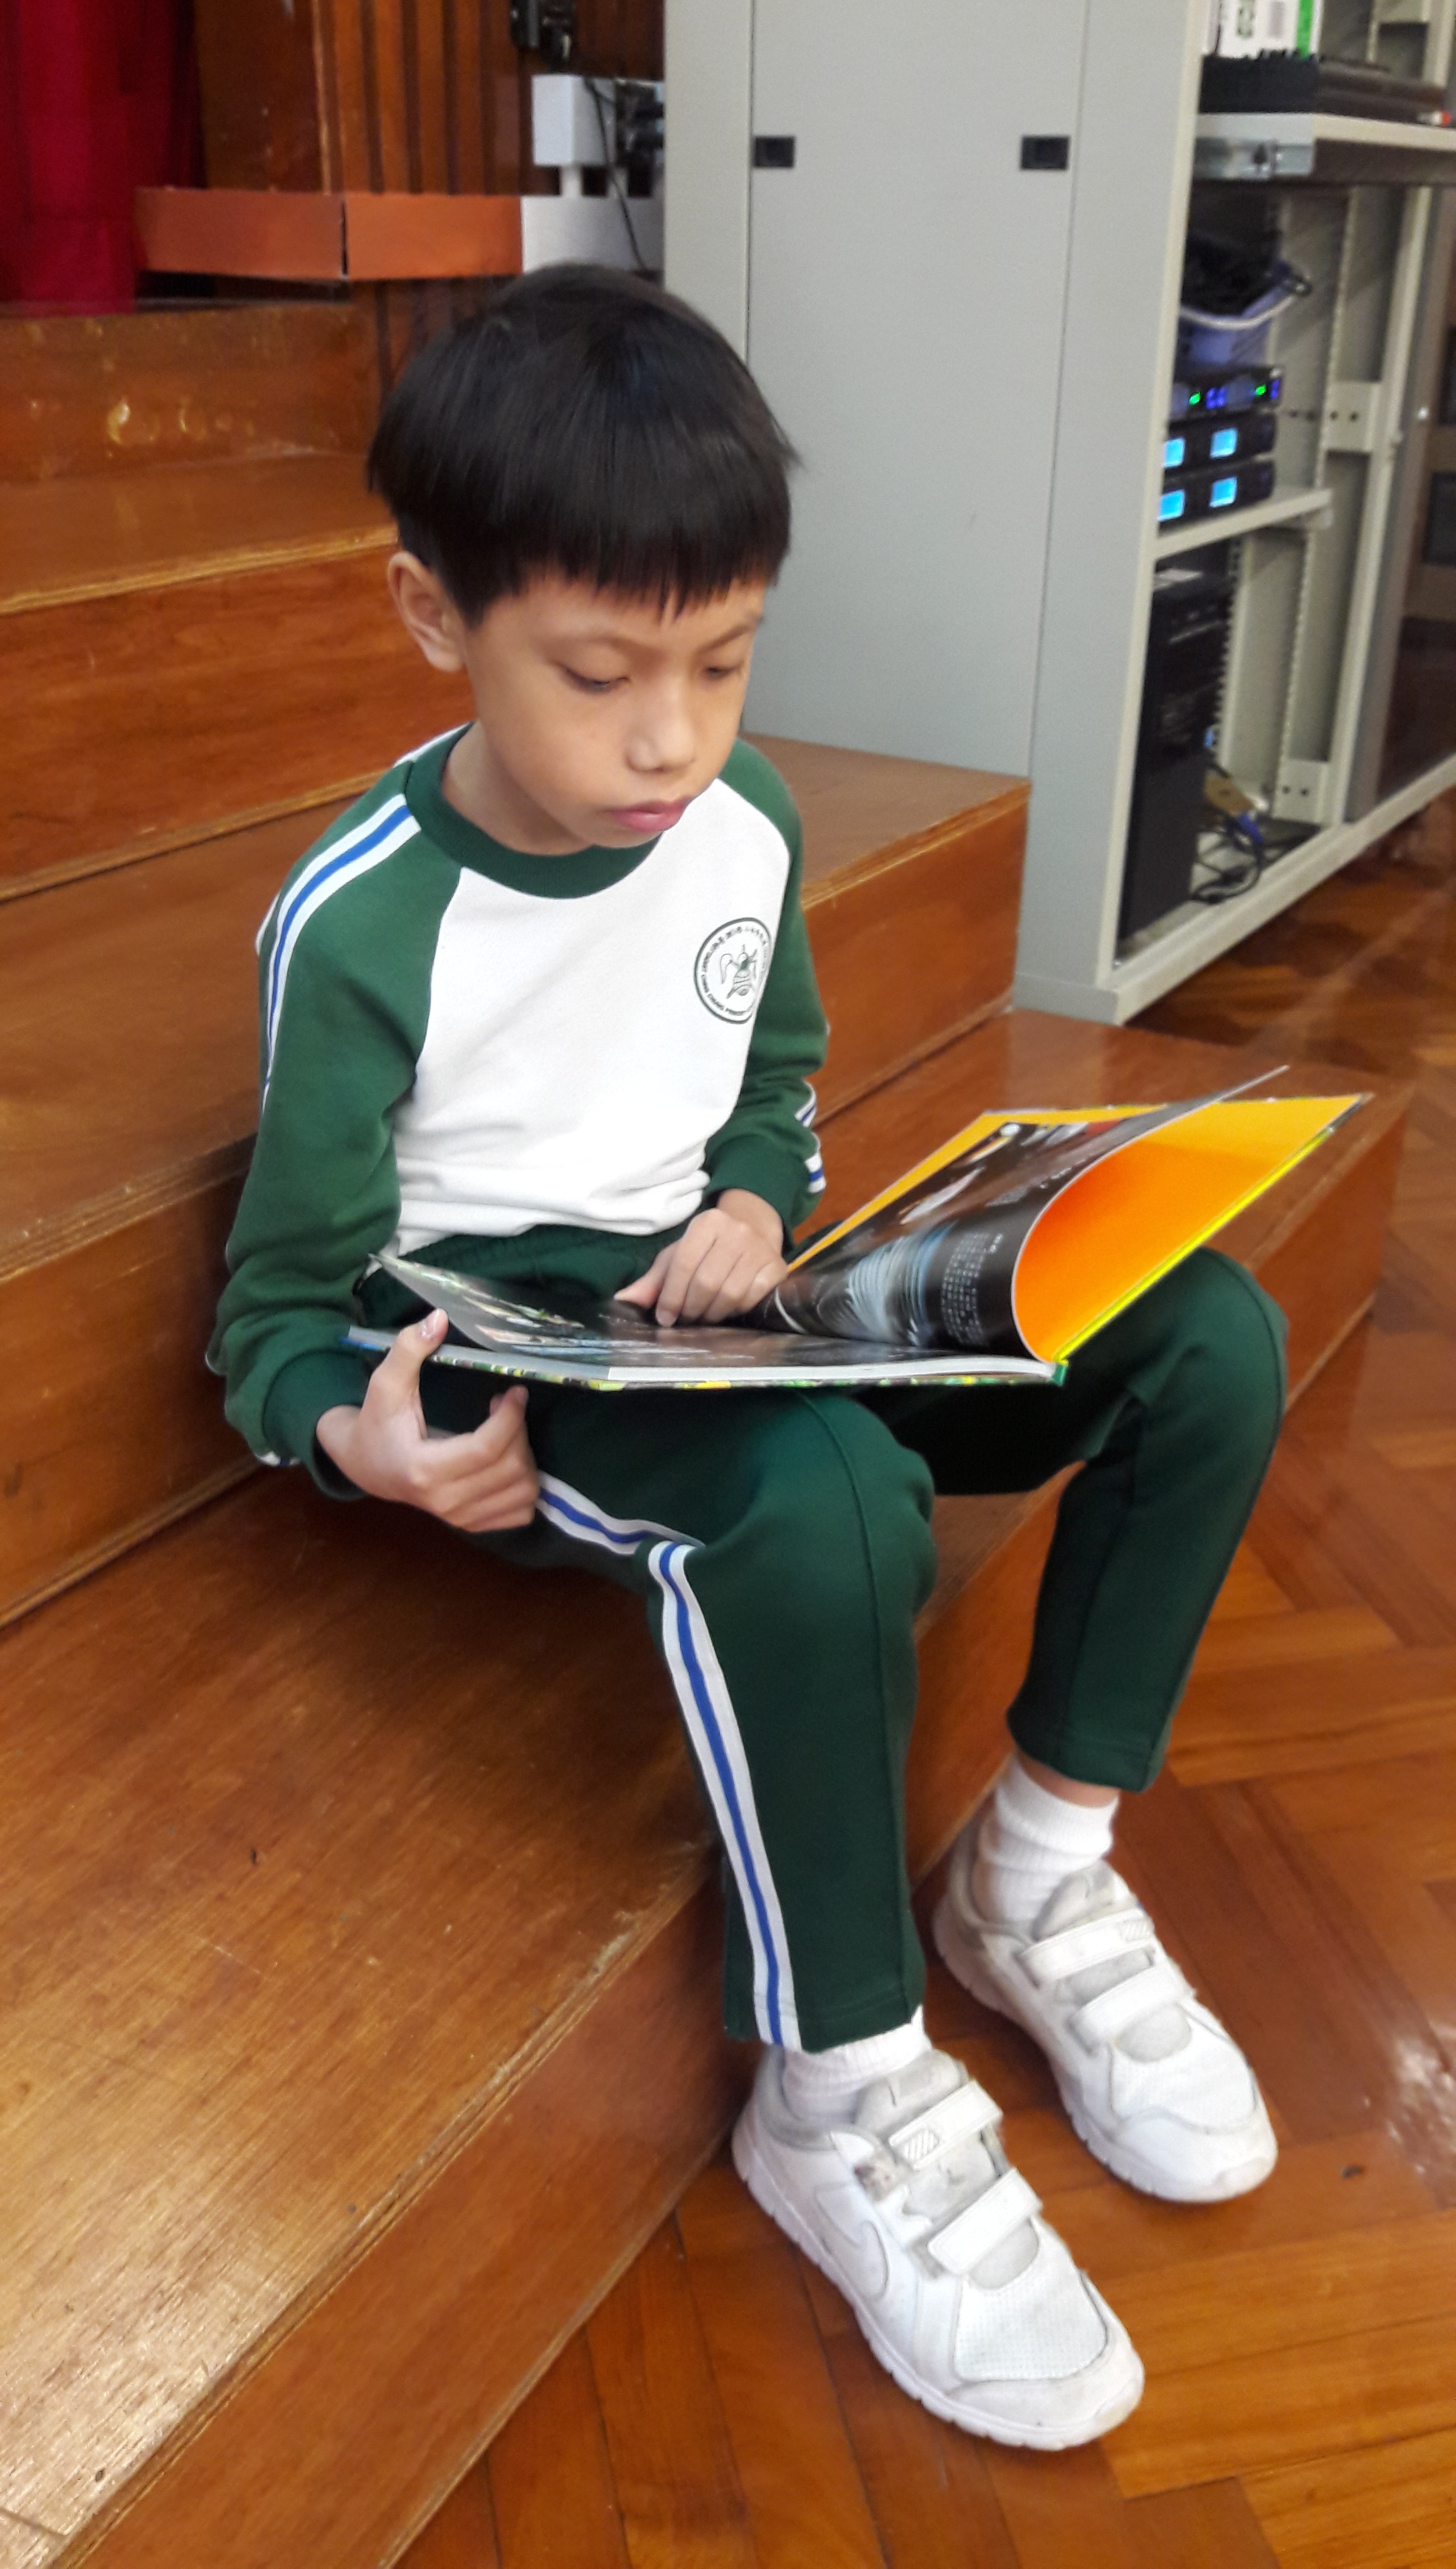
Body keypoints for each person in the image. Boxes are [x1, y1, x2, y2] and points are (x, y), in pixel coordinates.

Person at [210, 265, 1287, 2451]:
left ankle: (1035, 1873)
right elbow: (273, 1313)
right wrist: (358, 1441)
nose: (670, 741)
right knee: (826, 1500)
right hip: (523, 1357)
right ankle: (840, 2079)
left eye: (723, 662)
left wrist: (756, 1201)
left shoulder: (745, 825)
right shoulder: (366, 919)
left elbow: (770, 1083)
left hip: (722, 1309)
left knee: (1204, 1334)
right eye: (598, 674)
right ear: (434, 616)